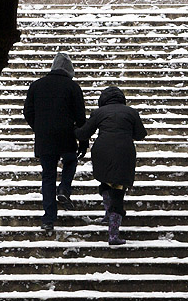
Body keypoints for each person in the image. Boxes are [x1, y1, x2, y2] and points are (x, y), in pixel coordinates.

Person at [75, 86, 147, 246]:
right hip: (124, 152)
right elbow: (141, 134)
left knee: (106, 181)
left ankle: (109, 214)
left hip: (102, 151)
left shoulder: (99, 113)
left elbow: (84, 133)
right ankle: (113, 233)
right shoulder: (131, 112)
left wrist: (70, 128)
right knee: (119, 190)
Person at [23, 51, 86, 233]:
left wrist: (39, 128)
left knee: (48, 176)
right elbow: (80, 117)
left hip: (45, 139)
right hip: (67, 135)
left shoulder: (37, 86)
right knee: (71, 161)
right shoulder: (73, 87)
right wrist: (82, 140)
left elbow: (27, 112)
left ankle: (48, 219)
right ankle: (64, 189)